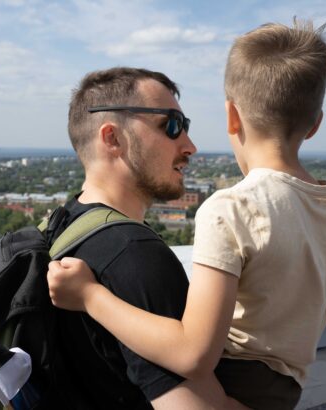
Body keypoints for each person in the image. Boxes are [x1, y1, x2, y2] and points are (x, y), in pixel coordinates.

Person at [47, 20, 326, 410]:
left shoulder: (231, 208)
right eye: (172, 126)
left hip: (235, 380)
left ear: (232, 116)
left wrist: (89, 296)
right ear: (316, 123)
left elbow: (193, 355)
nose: (191, 144)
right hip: (285, 391)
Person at [47, 66, 245, 409]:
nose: (190, 146)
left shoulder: (63, 226)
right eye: (171, 125)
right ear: (112, 138)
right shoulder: (133, 255)